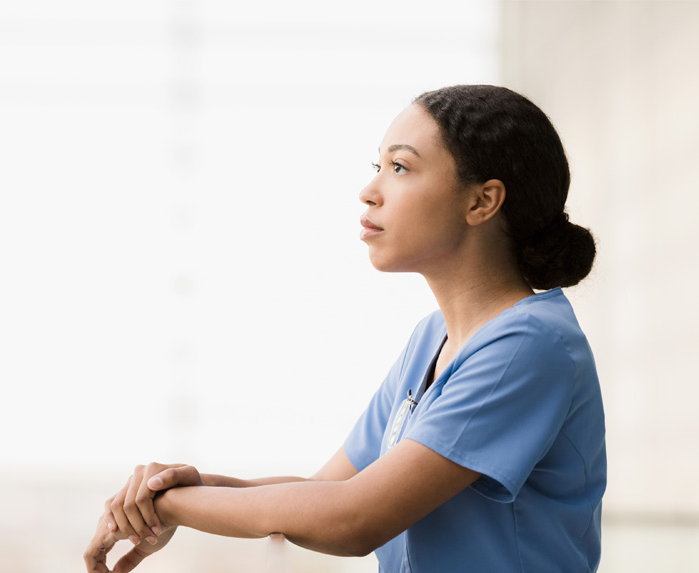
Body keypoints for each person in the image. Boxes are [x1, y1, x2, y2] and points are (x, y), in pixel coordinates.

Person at [84, 85, 606, 573]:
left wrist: (177, 504)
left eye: (400, 167)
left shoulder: (528, 345)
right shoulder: (433, 338)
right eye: (378, 166)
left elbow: (354, 520)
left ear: (481, 201)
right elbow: (327, 490)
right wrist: (195, 488)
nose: (369, 191)